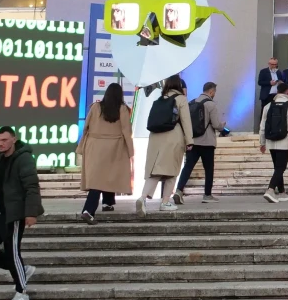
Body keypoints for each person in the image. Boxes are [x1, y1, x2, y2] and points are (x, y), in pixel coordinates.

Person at [0, 126, 43, 300]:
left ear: (14, 139)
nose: (0, 143)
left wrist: (31, 213)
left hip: (13, 214)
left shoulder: (24, 159)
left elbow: (32, 186)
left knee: (12, 252)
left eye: (4, 140)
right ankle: (22, 270)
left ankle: (22, 294)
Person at [76, 83, 133, 224]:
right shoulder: (122, 109)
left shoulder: (95, 107)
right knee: (104, 177)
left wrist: (82, 145)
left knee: (100, 175)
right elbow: (126, 131)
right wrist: (131, 150)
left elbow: (86, 127)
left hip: (94, 146)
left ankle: (108, 202)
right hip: (113, 146)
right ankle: (88, 210)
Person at [139, 74, 193, 214]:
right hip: (173, 137)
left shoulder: (159, 99)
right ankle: (165, 202)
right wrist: (189, 141)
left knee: (155, 171)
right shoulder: (181, 99)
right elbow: (186, 121)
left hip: (155, 137)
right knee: (172, 171)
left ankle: (142, 197)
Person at [175, 81, 226, 205]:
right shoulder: (211, 104)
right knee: (208, 169)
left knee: (188, 167)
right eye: (214, 92)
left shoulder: (192, 103)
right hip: (207, 142)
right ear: (211, 91)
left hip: (193, 141)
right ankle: (207, 195)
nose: (214, 94)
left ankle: (179, 190)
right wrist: (222, 126)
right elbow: (216, 124)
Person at [259, 81, 288, 202]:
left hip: (271, 142)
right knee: (281, 168)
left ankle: (282, 192)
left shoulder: (268, 106)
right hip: (285, 142)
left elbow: (262, 126)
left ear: (277, 91)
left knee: (277, 167)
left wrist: (262, 142)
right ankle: (270, 190)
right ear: (287, 92)